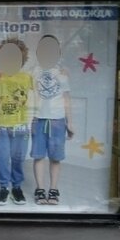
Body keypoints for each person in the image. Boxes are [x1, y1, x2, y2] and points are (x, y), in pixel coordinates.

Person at [30, 34, 74, 205]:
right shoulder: (33, 72)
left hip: (57, 121)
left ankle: (53, 189)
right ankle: (40, 189)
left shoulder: (62, 74)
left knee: (56, 157)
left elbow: (66, 99)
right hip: (38, 119)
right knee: (38, 155)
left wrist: (70, 122)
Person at [0, 39, 33, 205]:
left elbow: (33, 100)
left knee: (18, 158)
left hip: (21, 125)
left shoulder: (27, 77)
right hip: (2, 126)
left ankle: (16, 187)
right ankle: (3, 188)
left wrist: (30, 122)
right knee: (1, 157)